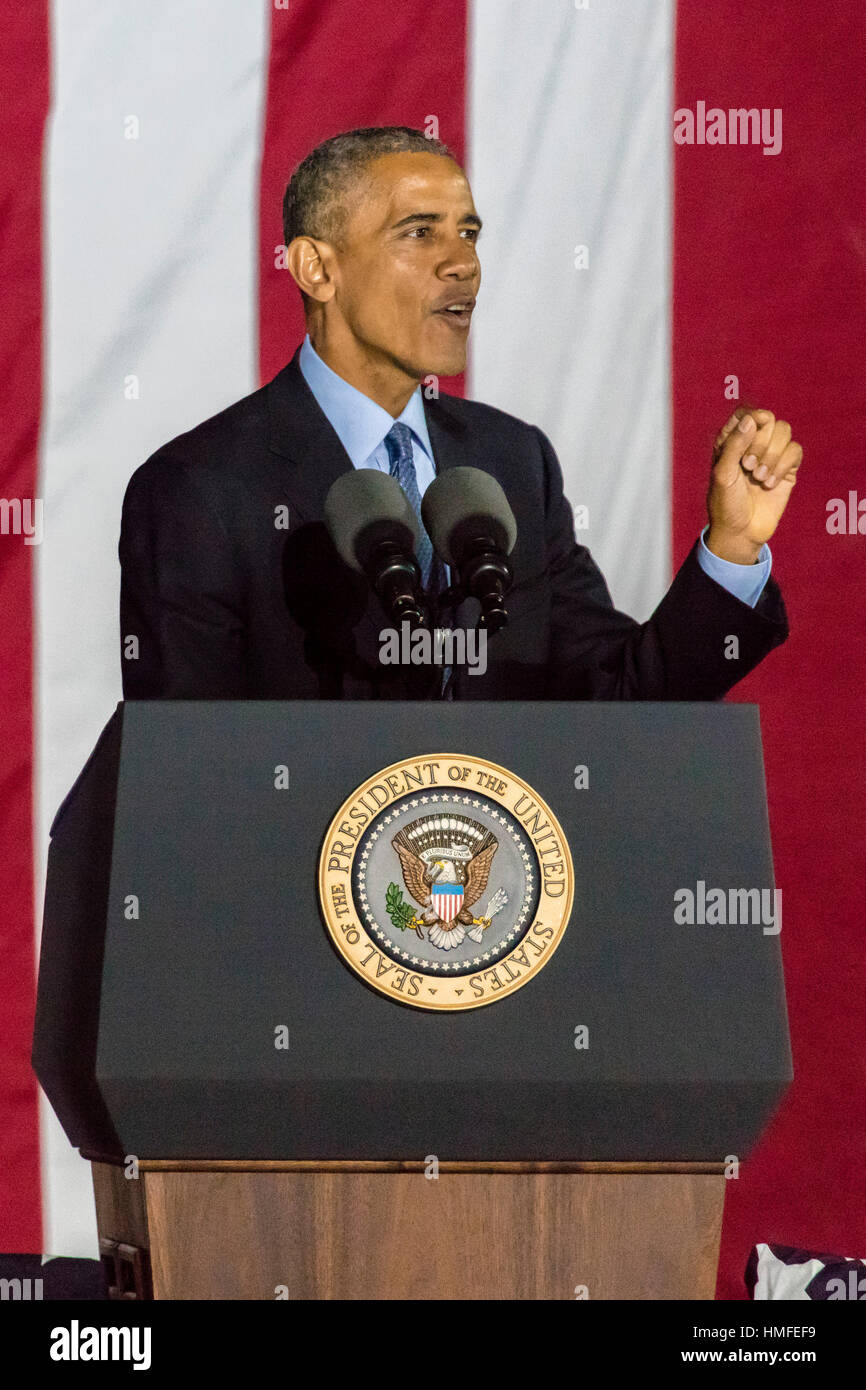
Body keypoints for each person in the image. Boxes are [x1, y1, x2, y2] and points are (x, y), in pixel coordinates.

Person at [119, 126, 803, 701]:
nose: (464, 265)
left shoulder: (511, 462)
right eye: (419, 233)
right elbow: (189, 776)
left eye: (468, 234)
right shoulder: (199, 487)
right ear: (316, 269)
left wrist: (733, 548)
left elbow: (624, 697)